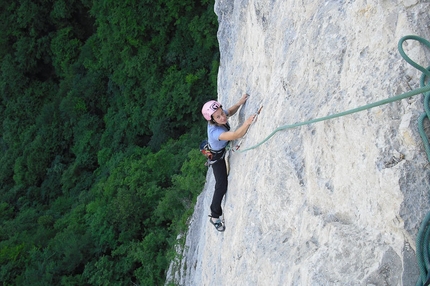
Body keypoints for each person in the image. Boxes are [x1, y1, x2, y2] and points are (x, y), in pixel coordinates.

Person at [201, 94, 256, 232]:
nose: (222, 117)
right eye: (218, 117)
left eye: (221, 113)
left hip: (220, 150)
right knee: (221, 185)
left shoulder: (218, 116)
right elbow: (237, 135)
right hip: (216, 157)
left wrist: (239, 103)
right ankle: (214, 216)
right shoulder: (216, 132)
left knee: (222, 183)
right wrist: (247, 123)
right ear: (212, 120)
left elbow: (229, 111)